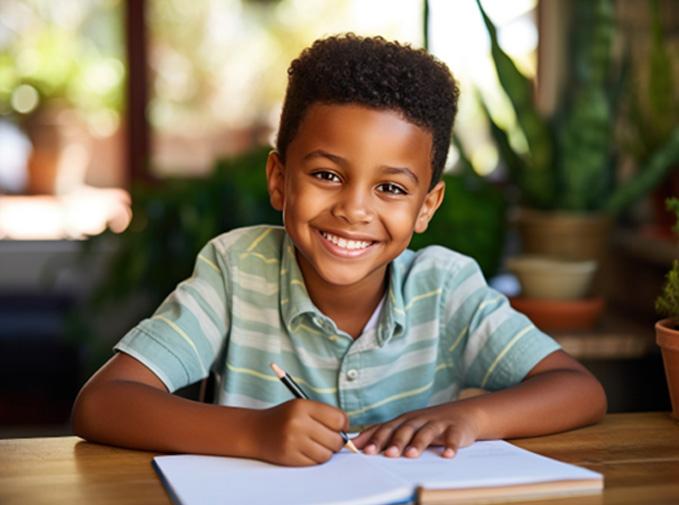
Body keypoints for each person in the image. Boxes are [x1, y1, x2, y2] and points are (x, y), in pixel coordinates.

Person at [72, 34, 606, 467]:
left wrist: (473, 419)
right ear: (279, 179)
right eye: (327, 175)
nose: (354, 209)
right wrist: (254, 432)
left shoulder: (446, 287)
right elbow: (102, 404)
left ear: (426, 206)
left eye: (391, 188)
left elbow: (578, 390)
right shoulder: (236, 273)